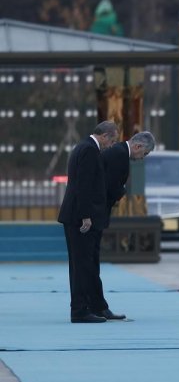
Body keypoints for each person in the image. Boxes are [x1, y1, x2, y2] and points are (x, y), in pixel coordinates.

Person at [57, 121, 119, 323]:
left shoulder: (83, 147)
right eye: (112, 140)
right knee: (82, 265)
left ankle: (86, 307)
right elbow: (83, 186)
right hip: (78, 217)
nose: (111, 145)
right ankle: (80, 310)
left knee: (80, 264)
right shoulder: (90, 151)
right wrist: (86, 216)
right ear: (105, 135)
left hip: (74, 215)